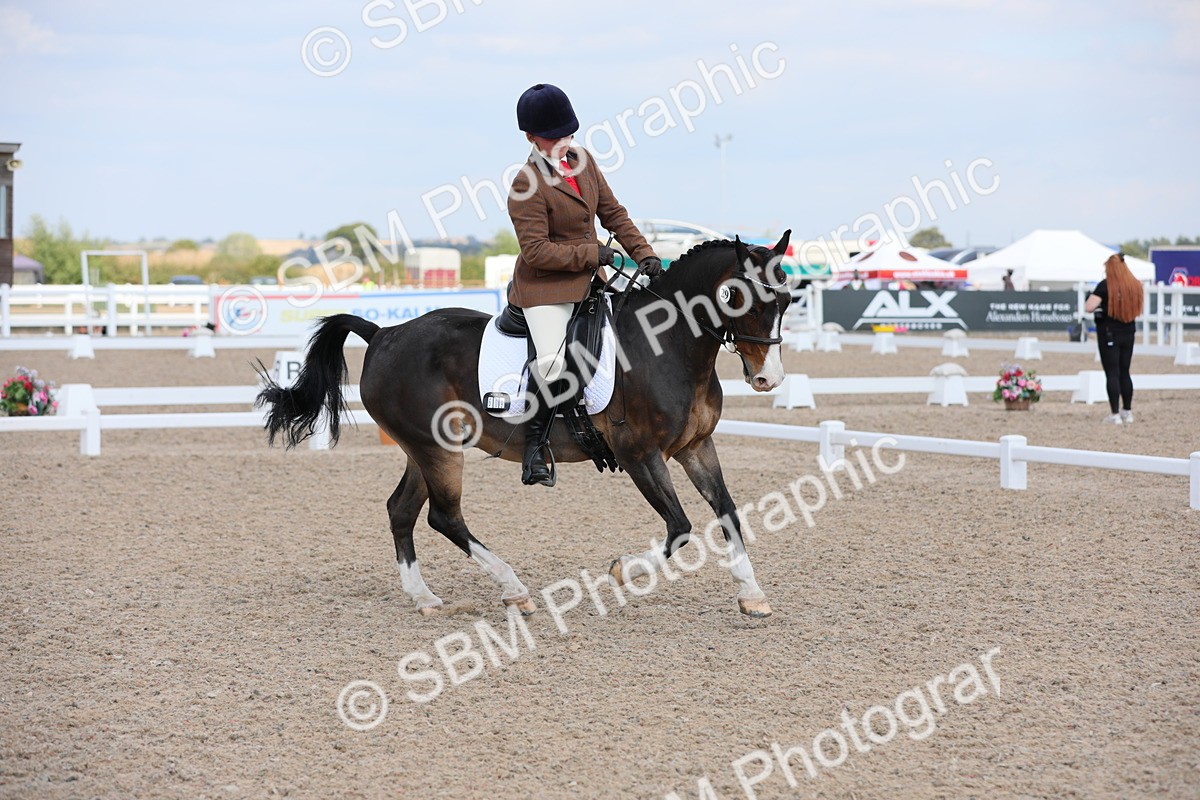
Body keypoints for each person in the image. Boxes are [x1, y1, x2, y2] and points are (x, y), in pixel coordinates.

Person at [507, 83, 661, 486]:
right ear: (530, 138)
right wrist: (592, 254)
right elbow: (537, 252)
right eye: (554, 137)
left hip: (591, 280)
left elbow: (612, 212)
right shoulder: (525, 186)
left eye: (568, 134)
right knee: (552, 362)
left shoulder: (583, 161)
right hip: (545, 289)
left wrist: (644, 252)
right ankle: (534, 449)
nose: (564, 143)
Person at [1084, 253, 1143, 424]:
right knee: (1125, 371)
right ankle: (1127, 411)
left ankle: (1114, 413)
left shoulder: (1105, 286)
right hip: (1129, 332)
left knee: (1112, 373)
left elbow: (1089, 306)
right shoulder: (1134, 285)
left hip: (1110, 333)